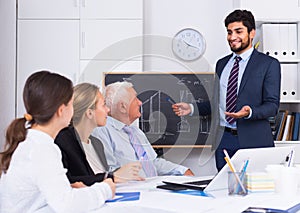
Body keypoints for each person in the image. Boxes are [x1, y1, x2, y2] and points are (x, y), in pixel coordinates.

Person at [172, 9, 281, 171]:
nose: (232, 37)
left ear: (252, 33)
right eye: (229, 32)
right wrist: (192, 108)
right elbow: (219, 102)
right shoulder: (222, 64)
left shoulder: (268, 64)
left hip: (254, 141)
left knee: (255, 190)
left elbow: (272, 105)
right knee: (224, 189)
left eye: (238, 31)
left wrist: (249, 111)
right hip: (224, 140)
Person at [0, 71, 115, 212]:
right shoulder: (42, 149)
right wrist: (105, 189)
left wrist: (68, 188)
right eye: (72, 104)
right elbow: (67, 205)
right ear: (61, 110)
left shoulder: (32, 142)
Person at [92, 81, 194, 177]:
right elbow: (110, 173)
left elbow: (153, 163)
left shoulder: (135, 132)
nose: (140, 102)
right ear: (123, 107)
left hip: (152, 187)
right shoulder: (102, 131)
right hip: (131, 190)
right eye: (135, 99)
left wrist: (182, 170)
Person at [54, 83, 144, 186]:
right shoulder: (63, 141)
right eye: (103, 105)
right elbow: (66, 182)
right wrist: (113, 176)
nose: (108, 109)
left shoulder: (97, 143)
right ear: (89, 113)